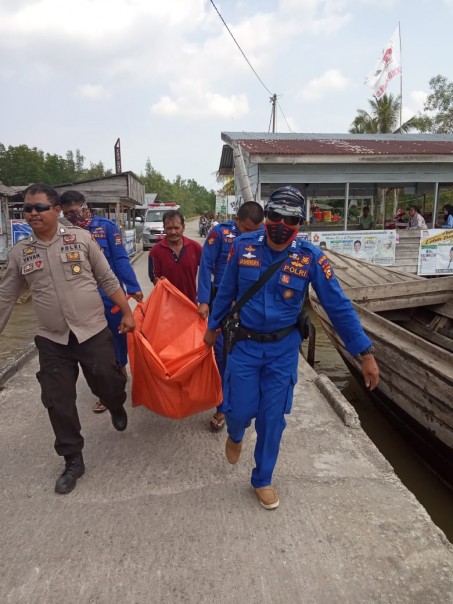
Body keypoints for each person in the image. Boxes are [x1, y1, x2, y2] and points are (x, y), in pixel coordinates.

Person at [203, 186, 379, 510]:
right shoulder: (242, 247)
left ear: (301, 223)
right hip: (244, 345)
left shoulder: (310, 257)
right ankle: (236, 433)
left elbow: (337, 306)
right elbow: (226, 290)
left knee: (273, 418)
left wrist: (365, 353)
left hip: (283, 352)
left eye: (290, 219)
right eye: (275, 216)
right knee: (238, 410)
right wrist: (212, 327)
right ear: (266, 216)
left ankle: (262, 479)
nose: (281, 224)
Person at [0, 184, 135, 494]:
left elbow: (106, 278)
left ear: (56, 210)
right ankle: (73, 459)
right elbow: (6, 296)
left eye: (39, 207)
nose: (31, 213)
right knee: (57, 399)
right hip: (52, 339)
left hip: (91, 329)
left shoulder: (81, 239)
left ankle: (116, 404)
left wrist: (127, 312)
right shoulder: (21, 252)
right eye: (27, 208)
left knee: (108, 381)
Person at [60, 190, 143, 413]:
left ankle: (120, 370)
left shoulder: (106, 228)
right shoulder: (65, 233)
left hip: (110, 297)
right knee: (93, 344)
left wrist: (133, 286)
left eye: (75, 212)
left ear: (85, 207)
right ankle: (106, 391)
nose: (72, 217)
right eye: (67, 214)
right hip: (83, 300)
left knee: (117, 337)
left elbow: (121, 260)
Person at [197, 201, 264, 431]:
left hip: (249, 308)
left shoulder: (266, 238)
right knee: (221, 354)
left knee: (244, 357)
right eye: (246, 230)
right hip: (222, 304)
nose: (250, 235)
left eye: (255, 230)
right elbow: (206, 265)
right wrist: (204, 300)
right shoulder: (220, 234)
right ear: (237, 221)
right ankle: (222, 406)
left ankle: (242, 402)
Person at [148, 209, 202, 303]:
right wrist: (159, 282)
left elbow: (208, 270)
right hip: (165, 307)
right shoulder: (155, 251)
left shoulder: (195, 247)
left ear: (183, 227)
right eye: (169, 228)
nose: (173, 232)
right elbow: (154, 278)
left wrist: (204, 300)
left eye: (176, 228)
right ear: (164, 228)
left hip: (190, 304)